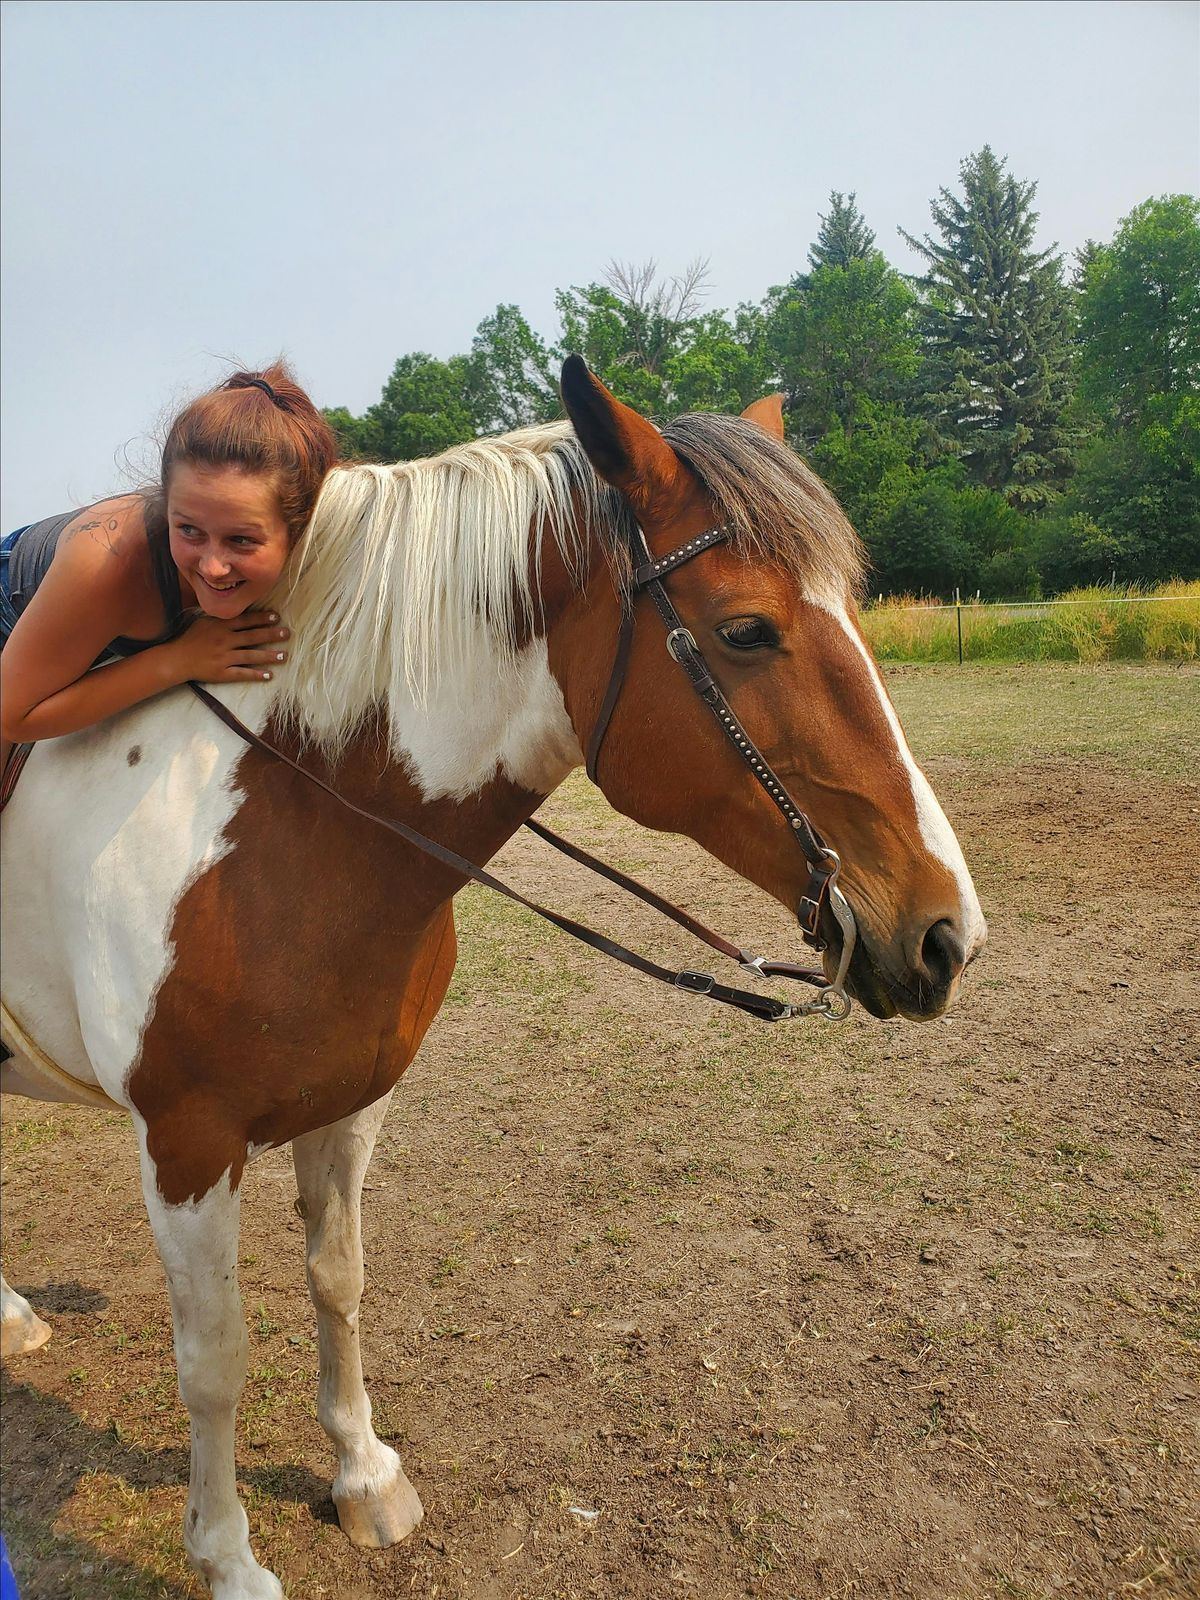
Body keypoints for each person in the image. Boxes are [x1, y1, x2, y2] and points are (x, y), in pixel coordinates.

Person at [0, 364, 339, 775]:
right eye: (189, 530)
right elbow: (14, 717)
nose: (214, 567)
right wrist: (178, 660)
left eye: (241, 540)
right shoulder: (107, 563)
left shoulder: (317, 546)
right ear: (167, 505)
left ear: (296, 528)